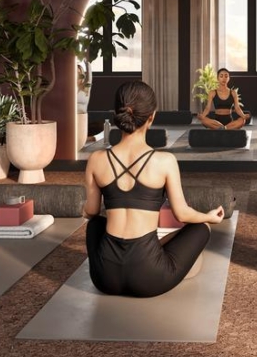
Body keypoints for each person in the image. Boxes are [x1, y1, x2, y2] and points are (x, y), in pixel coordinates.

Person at [83, 81, 225, 297]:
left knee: (95, 224)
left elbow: (91, 212)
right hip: (148, 278)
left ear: (117, 114)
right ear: (152, 117)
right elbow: (182, 213)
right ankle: (156, 248)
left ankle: (146, 250)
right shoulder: (164, 161)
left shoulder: (96, 159)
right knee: (201, 227)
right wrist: (210, 217)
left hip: (104, 278)